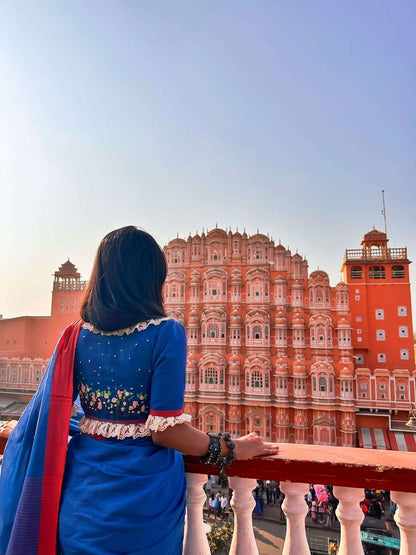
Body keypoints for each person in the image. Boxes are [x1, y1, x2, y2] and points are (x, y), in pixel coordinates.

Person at [0, 226, 279, 555]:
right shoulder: (165, 333)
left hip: (82, 497)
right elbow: (166, 432)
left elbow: (51, 409)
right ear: (151, 277)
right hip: (144, 503)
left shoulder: (76, 335)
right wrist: (233, 448)